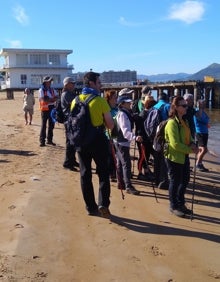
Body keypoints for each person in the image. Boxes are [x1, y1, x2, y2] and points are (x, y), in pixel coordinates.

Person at [70, 72, 114, 218]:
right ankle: (103, 203)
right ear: (91, 84)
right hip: (97, 140)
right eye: (98, 82)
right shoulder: (99, 101)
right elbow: (110, 124)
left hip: (81, 141)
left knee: (85, 173)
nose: (100, 85)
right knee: (103, 172)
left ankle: (90, 206)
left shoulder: (75, 100)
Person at [164, 96, 198, 217]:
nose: (186, 107)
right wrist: (190, 150)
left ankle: (181, 203)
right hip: (173, 157)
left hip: (184, 156)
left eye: (186, 105)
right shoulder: (172, 123)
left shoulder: (185, 121)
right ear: (176, 108)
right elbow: (175, 144)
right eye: (183, 106)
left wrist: (193, 144)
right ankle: (173, 206)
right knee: (175, 181)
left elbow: (188, 137)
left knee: (184, 180)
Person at [114, 95, 143, 195]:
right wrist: (135, 137)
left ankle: (121, 183)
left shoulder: (124, 113)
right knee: (126, 164)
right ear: (122, 104)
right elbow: (125, 131)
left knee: (120, 163)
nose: (130, 103)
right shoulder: (123, 114)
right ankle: (128, 186)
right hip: (122, 142)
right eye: (127, 102)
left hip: (119, 141)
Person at [136, 95, 156, 180]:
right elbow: (139, 128)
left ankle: (146, 171)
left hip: (147, 139)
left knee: (146, 156)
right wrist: (140, 137)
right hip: (142, 138)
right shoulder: (143, 114)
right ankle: (140, 173)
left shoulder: (148, 113)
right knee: (142, 156)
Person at [61, 77, 79, 171]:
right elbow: (74, 104)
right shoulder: (66, 94)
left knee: (73, 142)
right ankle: (67, 163)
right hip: (69, 120)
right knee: (70, 142)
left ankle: (72, 160)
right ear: (67, 84)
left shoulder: (70, 93)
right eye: (72, 83)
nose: (74, 85)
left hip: (71, 120)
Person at [153, 92, 170, 189]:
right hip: (164, 136)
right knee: (164, 159)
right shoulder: (167, 106)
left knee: (157, 159)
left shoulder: (154, 106)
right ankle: (164, 180)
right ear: (166, 98)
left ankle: (156, 179)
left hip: (155, 135)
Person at [38, 76, 58, 147]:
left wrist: (50, 99)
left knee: (51, 125)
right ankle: (42, 141)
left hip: (52, 108)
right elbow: (44, 100)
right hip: (45, 108)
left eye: (50, 81)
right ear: (45, 82)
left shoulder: (52, 89)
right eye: (49, 81)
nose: (50, 82)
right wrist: (52, 99)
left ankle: (49, 140)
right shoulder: (41, 90)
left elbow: (57, 97)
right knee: (44, 125)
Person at [104, 89, 118, 182]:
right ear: (109, 99)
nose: (116, 99)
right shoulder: (106, 109)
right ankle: (111, 173)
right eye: (114, 97)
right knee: (110, 155)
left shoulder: (117, 108)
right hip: (108, 135)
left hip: (117, 134)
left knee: (116, 154)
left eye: (116, 97)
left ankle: (115, 172)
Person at [193, 99, 210, 172]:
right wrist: (206, 122)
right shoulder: (197, 111)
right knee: (204, 149)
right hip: (200, 132)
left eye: (204, 103)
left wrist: (206, 122)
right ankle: (198, 164)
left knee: (203, 149)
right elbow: (203, 120)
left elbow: (207, 119)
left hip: (204, 132)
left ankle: (199, 163)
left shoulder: (202, 111)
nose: (204, 104)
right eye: (203, 103)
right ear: (199, 104)